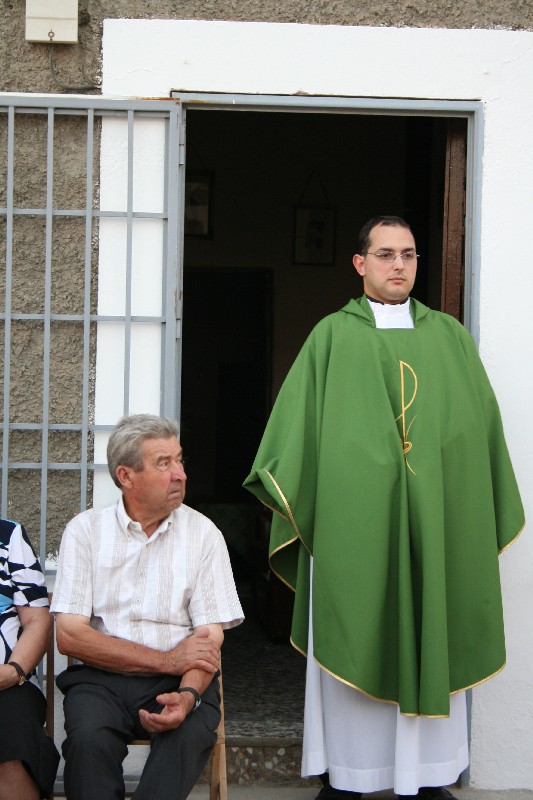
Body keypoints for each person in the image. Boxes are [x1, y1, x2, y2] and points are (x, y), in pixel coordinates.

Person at [243, 216, 524, 799]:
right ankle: (350, 775)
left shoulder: (449, 337)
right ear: (360, 263)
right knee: (354, 629)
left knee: (431, 625)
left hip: (434, 524)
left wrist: (444, 483)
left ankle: (430, 776)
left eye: (409, 255)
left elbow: (477, 431)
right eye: (386, 254)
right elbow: (300, 433)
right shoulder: (331, 337)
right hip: (355, 529)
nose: (399, 265)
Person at [51, 413, 244, 800]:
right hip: (101, 680)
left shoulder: (204, 535)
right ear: (126, 476)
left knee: (187, 734)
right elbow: (70, 637)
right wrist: (167, 660)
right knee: (89, 742)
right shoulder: (85, 532)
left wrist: (186, 696)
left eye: (180, 460)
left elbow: (208, 641)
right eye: (163, 463)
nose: (180, 474)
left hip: (181, 682)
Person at [0, 518, 60, 800]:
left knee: (12, 740)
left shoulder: (8, 536)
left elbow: (37, 620)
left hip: (7, 684)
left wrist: (13, 671)